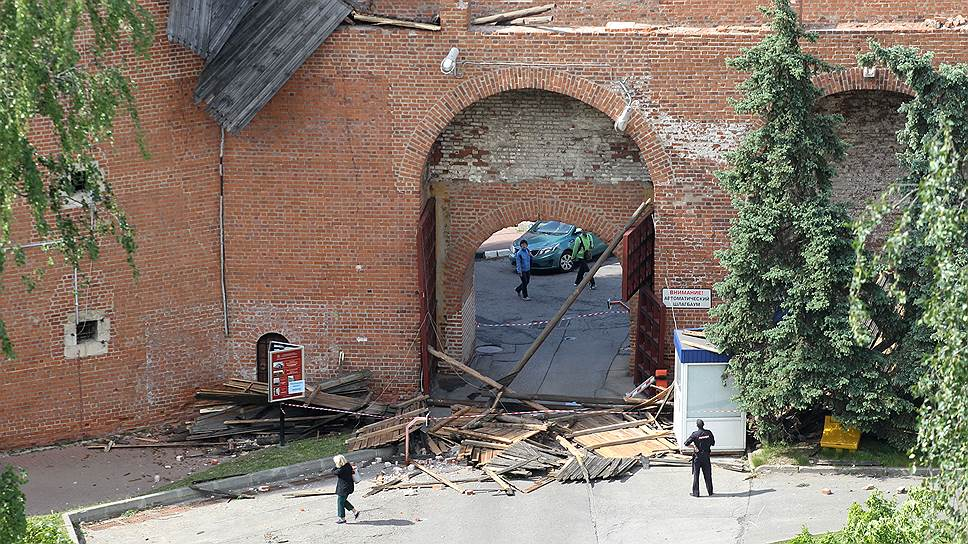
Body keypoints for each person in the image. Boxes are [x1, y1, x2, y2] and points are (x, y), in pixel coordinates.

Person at [684, 419, 715, 497]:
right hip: (706, 457)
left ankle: (696, 493)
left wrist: (694, 446)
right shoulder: (709, 433)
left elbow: (686, 443)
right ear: (703, 424)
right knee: (708, 475)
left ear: (697, 426)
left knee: (696, 475)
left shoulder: (695, 434)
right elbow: (713, 443)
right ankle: (710, 491)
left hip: (697, 457)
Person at [332, 454, 360, 523]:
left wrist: (336, 466)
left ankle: (342, 518)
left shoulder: (340, 470)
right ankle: (355, 511)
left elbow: (333, 471)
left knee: (340, 502)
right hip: (349, 487)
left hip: (344, 489)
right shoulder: (348, 466)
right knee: (343, 501)